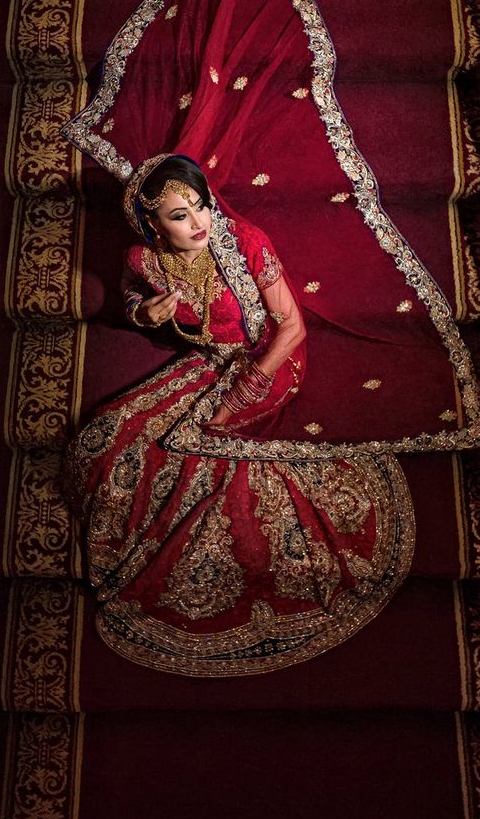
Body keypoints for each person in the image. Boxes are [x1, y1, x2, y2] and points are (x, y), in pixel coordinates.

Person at [62, 151, 416, 676]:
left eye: (201, 207)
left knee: (215, 458)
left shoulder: (243, 243)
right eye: (179, 216)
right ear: (151, 224)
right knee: (113, 435)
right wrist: (144, 311)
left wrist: (242, 395)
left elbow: (292, 328)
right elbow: (131, 293)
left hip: (271, 359)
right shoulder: (145, 260)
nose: (200, 223)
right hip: (211, 362)